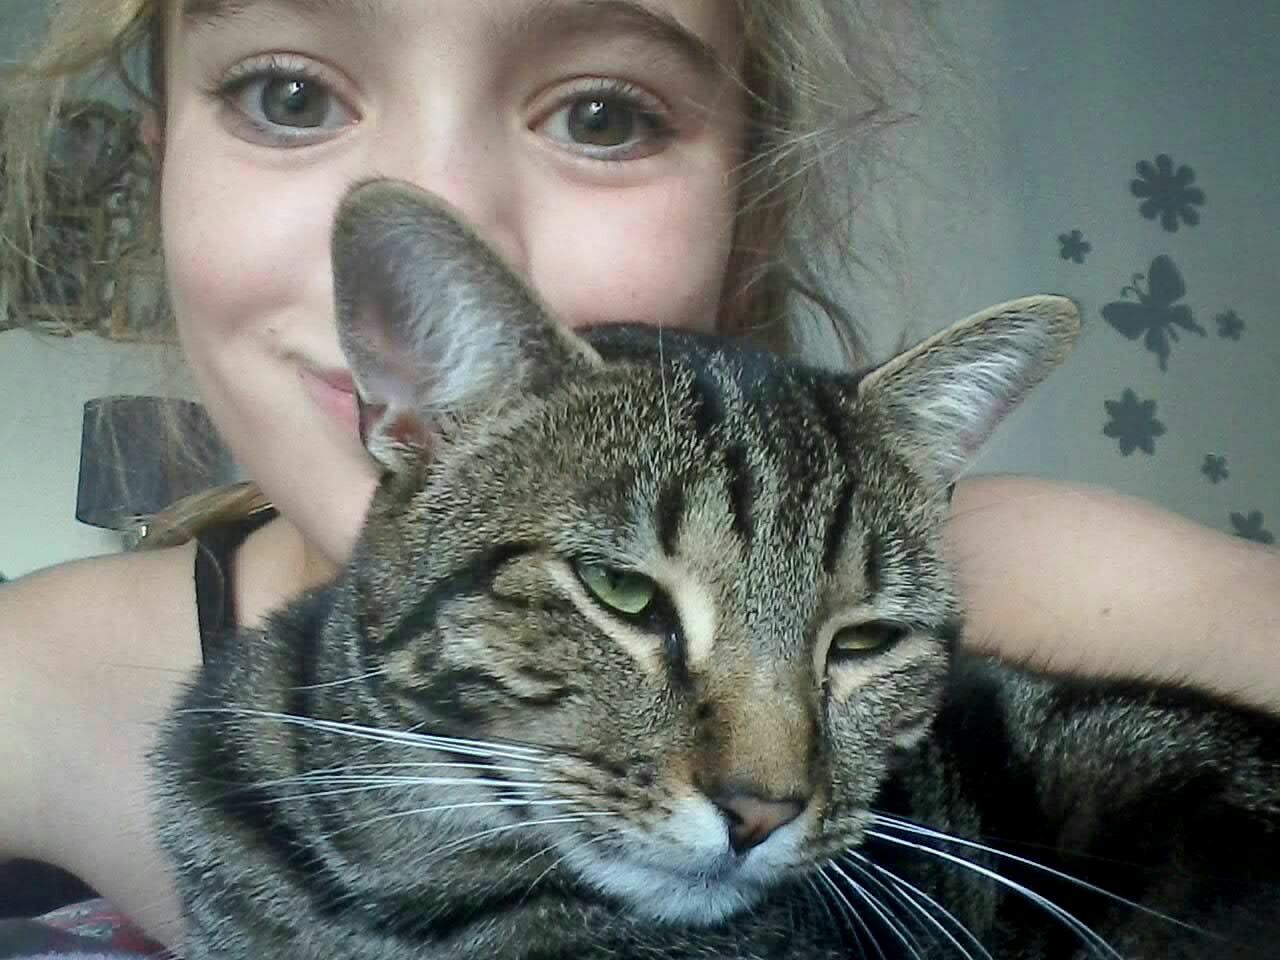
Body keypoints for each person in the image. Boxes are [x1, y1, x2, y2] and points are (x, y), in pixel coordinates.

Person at [1, 0, 1277, 950]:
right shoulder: (49, 677)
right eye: (288, 95)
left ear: (749, 201)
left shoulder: (1069, 586)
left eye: (604, 115)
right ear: (158, 158)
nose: (766, 791)